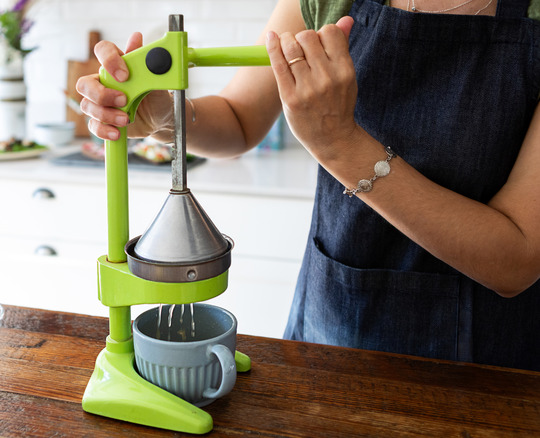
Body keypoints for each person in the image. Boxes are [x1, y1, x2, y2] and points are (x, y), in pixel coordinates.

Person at [76, 0, 540, 371]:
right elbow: (240, 118)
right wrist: (165, 115)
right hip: (332, 326)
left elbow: (516, 258)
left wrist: (339, 143)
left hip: (487, 363)